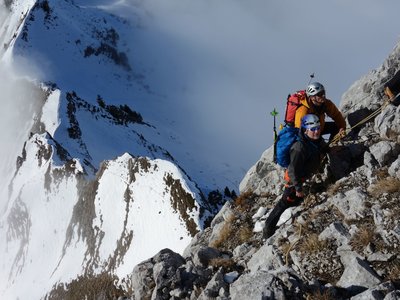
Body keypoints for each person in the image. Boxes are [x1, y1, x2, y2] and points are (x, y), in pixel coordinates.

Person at [263, 114, 327, 239]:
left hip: (303, 177)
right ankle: (268, 229)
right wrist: (297, 188)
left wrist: (330, 150)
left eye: (318, 128)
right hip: (293, 181)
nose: (317, 131)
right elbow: (292, 170)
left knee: (293, 201)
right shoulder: (299, 147)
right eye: (313, 129)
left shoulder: (316, 140)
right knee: (284, 203)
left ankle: (295, 206)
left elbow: (322, 147)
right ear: (305, 130)